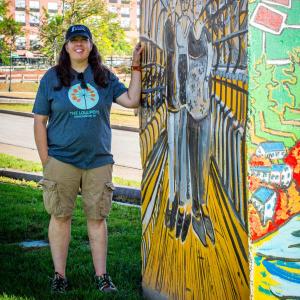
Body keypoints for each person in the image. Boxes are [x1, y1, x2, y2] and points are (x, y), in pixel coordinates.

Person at [33, 24, 143, 294]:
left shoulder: (103, 76)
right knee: (60, 216)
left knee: (97, 218)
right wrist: (46, 160)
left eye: (84, 40)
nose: (79, 45)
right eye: (74, 41)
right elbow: (39, 121)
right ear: (66, 46)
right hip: (61, 160)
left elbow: (131, 101)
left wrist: (136, 68)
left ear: (91, 45)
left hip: (98, 160)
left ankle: (102, 276)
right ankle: (59, 275)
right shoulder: (52, 77)